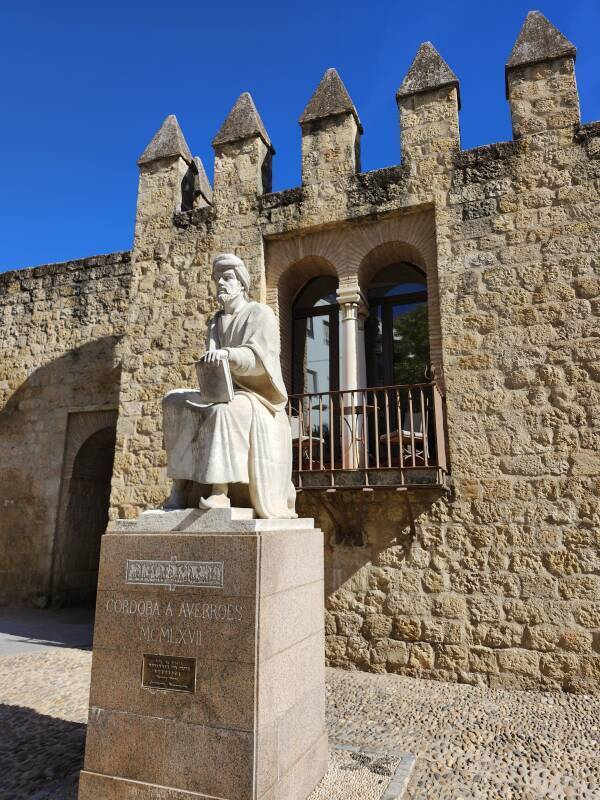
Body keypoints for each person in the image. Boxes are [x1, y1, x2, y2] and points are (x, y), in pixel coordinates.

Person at [162, 253, 296, 519]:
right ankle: (179, 487)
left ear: (242, 284)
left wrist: (228, 354)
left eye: (227, 278)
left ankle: (220, 491)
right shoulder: (215, 322)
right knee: (174, 401)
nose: (221, 283)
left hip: (257, 396)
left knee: (224, 410)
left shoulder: (259, 314)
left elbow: (260, 358)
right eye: (217, 279)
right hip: (221, 391)